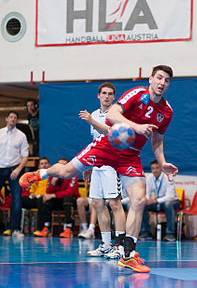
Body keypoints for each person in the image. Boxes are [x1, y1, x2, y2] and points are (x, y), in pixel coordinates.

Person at [20, 65, 178, 273]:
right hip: (107, 146)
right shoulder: (138, 94)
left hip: (130, 156)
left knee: (138, 200)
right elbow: (112, 115)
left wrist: (163, 161)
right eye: (159, 78)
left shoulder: (166, 111)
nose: (162, 83)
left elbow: (157, 140)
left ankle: (128, 254)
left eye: (166, 80)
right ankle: (41, 173)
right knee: (67, 171)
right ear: (150, 79)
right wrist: (136, 127)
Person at [79, 82, 126, 259]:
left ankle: (120, 246)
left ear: (114, 97)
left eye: (110, 94)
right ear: (98, 95)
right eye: (104, 93)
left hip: (112, 165)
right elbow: (95, 142)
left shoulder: (116, 114)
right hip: (97, 165)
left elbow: (110, 135)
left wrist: (91, 121)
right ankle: (106, 245)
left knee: (115, 204)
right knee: (97, 204)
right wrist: (89, 165)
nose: (107, 96)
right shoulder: (94, 114)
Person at [0, 111, 29, 238]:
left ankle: (15, 229)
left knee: (17, 200)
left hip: (14, 170)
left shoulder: (21, 136)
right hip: (0, 168)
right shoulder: (0, 133)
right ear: (6, 119)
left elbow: (25, 155)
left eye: (15, 118)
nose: (13, 119)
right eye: (11, 117)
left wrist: (19, 169)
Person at [34, 158, 79, 238]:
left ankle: (68, 228)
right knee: (45, 199)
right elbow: (48, 192)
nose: (62, 168)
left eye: (64, 165)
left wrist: (53, 195)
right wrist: (53, 183)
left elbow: (70, 193)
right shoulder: (52, 175)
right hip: (58, 201)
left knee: (67, 198)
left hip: (71, 201)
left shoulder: (73, 175)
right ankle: (46, 227)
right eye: (60, 165)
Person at [139, 159, 180, 242]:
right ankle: (145, 233)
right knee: (142, 204)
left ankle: (170, 234)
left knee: (167, 204)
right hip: (158, 202)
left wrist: (156, 200)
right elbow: (147, 193)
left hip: (173, 202)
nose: (155, 170)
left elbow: (170, 196)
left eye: (157, 168)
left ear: (161, 168)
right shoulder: (149, 178)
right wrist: (146, 200)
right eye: (153, 168)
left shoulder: (168, 177)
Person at [22, 157, 50, 234]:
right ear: (39, 166)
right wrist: (31, 193)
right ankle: (15, 228)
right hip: (35, 198)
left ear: (49, 165)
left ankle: (40, 229)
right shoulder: (36, 176)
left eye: (46, 163)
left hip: (45, 198)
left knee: (42, 201)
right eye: (42, 163)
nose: (44, 165)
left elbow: (52, 189)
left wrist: (43, 195)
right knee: (20, 200)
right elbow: (32, 188)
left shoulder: (51, 174)